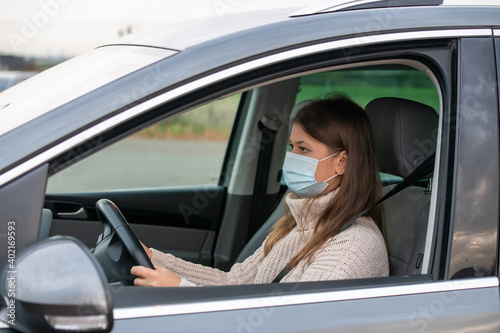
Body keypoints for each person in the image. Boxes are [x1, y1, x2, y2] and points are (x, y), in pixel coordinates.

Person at [131, 95, 389, 287]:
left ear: (341, 162)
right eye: (292, 147)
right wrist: (155, 258)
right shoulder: (297, 224)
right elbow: (234, 284)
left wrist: (179, 289)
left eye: (304, 149)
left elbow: (292, 324)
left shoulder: (354, 245)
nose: (292, 157)